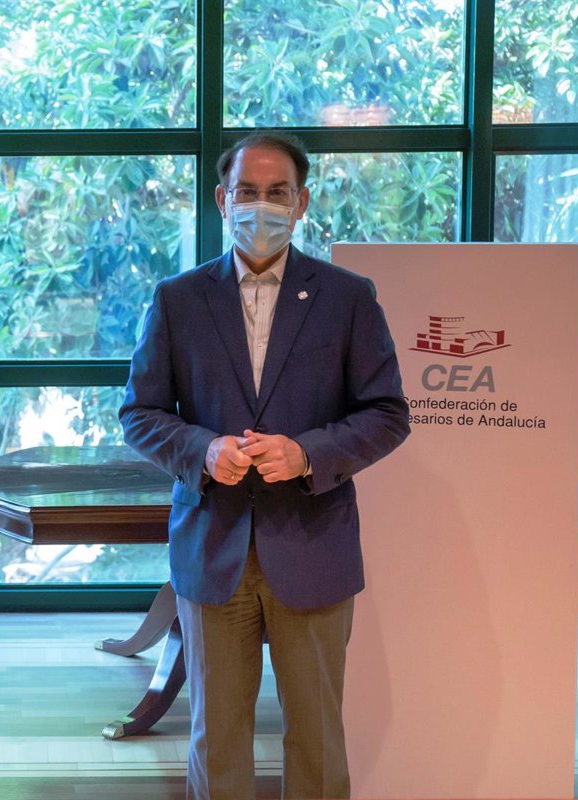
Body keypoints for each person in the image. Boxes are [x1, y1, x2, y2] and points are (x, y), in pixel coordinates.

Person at [118, 131, 410, 799]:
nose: (262, 205)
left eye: (278, 192)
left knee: (317, 739)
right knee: (217, 739)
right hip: (211, 547)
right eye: (247, 191)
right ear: (222, 200)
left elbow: (387, 412)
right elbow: (140, 412)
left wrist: (307, 454)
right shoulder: (178, 299)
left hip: (313, 545)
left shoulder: (347, 297)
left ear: (302, 202)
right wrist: (202, 450)